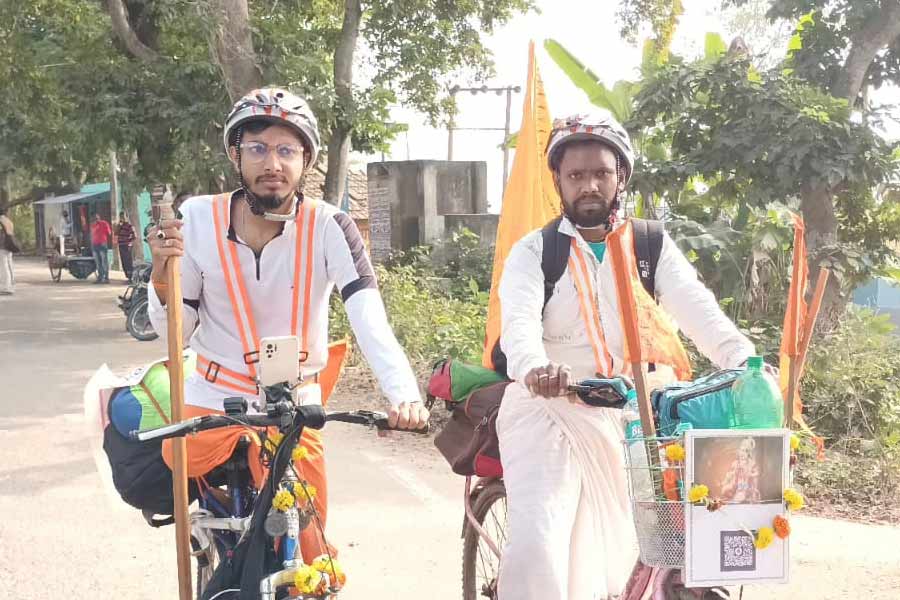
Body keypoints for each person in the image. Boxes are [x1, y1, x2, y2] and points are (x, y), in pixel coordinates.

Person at [146, 87, 428, 561]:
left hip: (292, 401)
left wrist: (403, 395)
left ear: (305, 161)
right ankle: (211, 537)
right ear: (237, 155)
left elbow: (367, 315)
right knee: (199, 491)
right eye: (257, 148)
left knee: (310, 551)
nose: (271, 162)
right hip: (215, 396)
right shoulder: (197, 218)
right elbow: (177, 331)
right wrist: (160, 274)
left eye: (286, 150)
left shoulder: (332, 226)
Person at [494, 111, 755, 599]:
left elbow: (702, 314)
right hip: (551, 409)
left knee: (692, 546)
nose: (589, 185)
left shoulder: (650, 245)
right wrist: (536, 370)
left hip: (642, 412)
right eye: (576, 175)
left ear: (622, 178)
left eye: (601, 174)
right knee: (540, 545)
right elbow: (519, 332)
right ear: (558, 181)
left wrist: (748, 363)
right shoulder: (535, 252)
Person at [90, 212, 112, 284]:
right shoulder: (92, 225)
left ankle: (106, 277)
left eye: (96, 218)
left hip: (102, 244)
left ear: (99, 217)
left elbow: (109, 233)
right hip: (95, 245)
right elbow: (92, 235)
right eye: (94, 218)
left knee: (104, 262)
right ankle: (100, 277)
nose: (95, 219)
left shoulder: (104, 223)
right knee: (98, 263)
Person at [115, 211, 136, 281]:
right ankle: (127, 275)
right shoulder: (119, 226)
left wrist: (130, 242)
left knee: (128, 261)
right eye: (121, 217)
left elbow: (134, 235)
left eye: (123, 217)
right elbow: (116, 233)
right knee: (123, 261)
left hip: (127, 245)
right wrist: (119, 226)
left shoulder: (129, 225)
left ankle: (131, 276)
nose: (122, 218)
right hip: (121, 245)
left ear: (126, 217)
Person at [0, 207, 16, 295]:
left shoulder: (1, 220)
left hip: (2, 246)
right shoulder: (8, 221)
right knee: (9, 265)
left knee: (4, 266)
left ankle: (6, 287)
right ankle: (11, 285)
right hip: (9, 245)